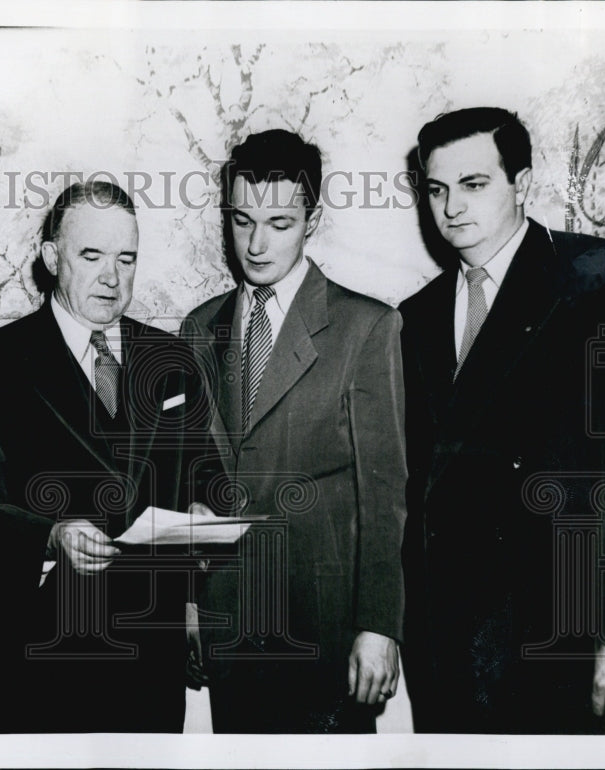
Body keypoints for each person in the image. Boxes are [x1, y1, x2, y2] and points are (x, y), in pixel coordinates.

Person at [0, 181, 219, 733]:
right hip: (37, 666)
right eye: (91, 256)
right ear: (51, 258)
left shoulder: (169, 358)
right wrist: (50, 534)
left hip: (151, 669)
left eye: (126, 258)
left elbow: (204, 473)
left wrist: (205, 513)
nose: (112, 278)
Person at [399, 106, 605, 733]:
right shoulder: (415, 317)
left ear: (521, 185)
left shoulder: (601, 280)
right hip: (445, 643)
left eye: (474, 185)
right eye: (437, 189)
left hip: (557, 636)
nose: (451, 208)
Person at [181, 129, 407, 733]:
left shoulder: (367, 327)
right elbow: (187, 478)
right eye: (241, 220)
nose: (256, 244)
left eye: (279, 222)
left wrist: (380, 626)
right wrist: (188, 601)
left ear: (313, 219)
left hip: (324, 629)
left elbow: (385, 497)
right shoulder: (198, 328)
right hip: (227, 623)